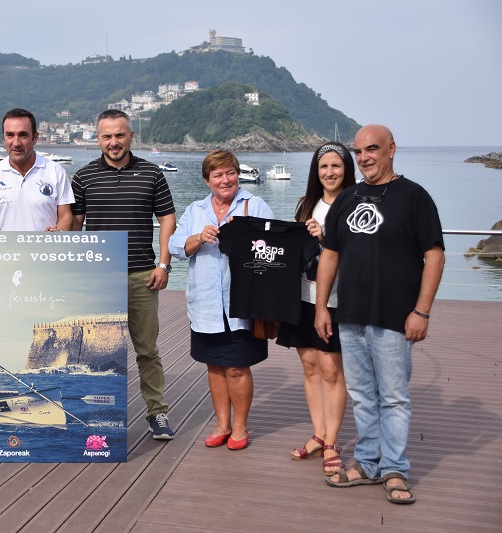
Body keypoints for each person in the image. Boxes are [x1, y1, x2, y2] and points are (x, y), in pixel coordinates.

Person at [315, 125, 445, 504]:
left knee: (393, 396)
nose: (364, 157)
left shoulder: (414, 197)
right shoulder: (348, 198)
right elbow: (330, 255)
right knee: (361, 394)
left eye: (372, 149)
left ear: (391, 149)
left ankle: (395, 469)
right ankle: (368, 463)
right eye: (358, 151)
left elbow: (434, 255)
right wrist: (323, 306)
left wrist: (422, 311)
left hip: (394, 316)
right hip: (350, 314)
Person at [71, 109, 177, 440]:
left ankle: (157, 412)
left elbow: (167, 219)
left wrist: (164, 263)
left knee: (147, 349)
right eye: (107, 136)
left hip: (143, 276)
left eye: (120, 135)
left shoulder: (152, 173)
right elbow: (75, 226)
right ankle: (99, 415)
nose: (113, 142)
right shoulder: (83, 177)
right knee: (97, 354)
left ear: (131, 136)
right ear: (97, 139)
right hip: (99, 278)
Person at [168, 150, 274, 450]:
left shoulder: (255, 205)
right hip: (205, 304)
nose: (225, 180)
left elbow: (273, 249)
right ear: (207, 180)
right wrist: (199, 237)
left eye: (230, 173)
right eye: (218, 175)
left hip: (242, 302)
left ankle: (240, 427)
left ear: (237, 174)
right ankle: (222, 424)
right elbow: (176, 247)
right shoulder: (196, 210)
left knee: (237, 367)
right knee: (214, 366)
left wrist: (248, 237)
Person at [277, 142, 356, 473]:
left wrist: (325, 238)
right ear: (316, 172)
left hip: (338, 300)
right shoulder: (305, 205)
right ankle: (319, 434)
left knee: (331, 369)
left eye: (336, 166)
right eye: (323, 167)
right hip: (303, 297)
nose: (330, 172)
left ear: (346, 169)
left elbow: (359, 255)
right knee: (310, 366)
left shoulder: (356, 206)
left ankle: (333, 441)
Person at [0, 108, 74, 231]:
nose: (16, 143)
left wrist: (58, 232)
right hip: (4, 250)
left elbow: (66, 216)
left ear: (35, 137)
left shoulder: (56, 172)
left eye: (23, 135)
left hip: (46, 249)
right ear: (4, 138)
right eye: (10, 135)